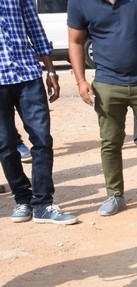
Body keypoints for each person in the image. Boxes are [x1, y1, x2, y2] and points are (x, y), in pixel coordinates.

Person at [67, 0, 137, 216]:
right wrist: (80, 80)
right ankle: (115, 195)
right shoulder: (79, 2)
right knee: (110, 142)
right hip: (107, 84)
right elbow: (75, 41)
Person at [0, 0, 78, 226]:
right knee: (5, 146)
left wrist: (51, 71)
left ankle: (43, 203)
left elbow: (34, 27)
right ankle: (22, 199)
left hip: (28, 76)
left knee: (42, 140)